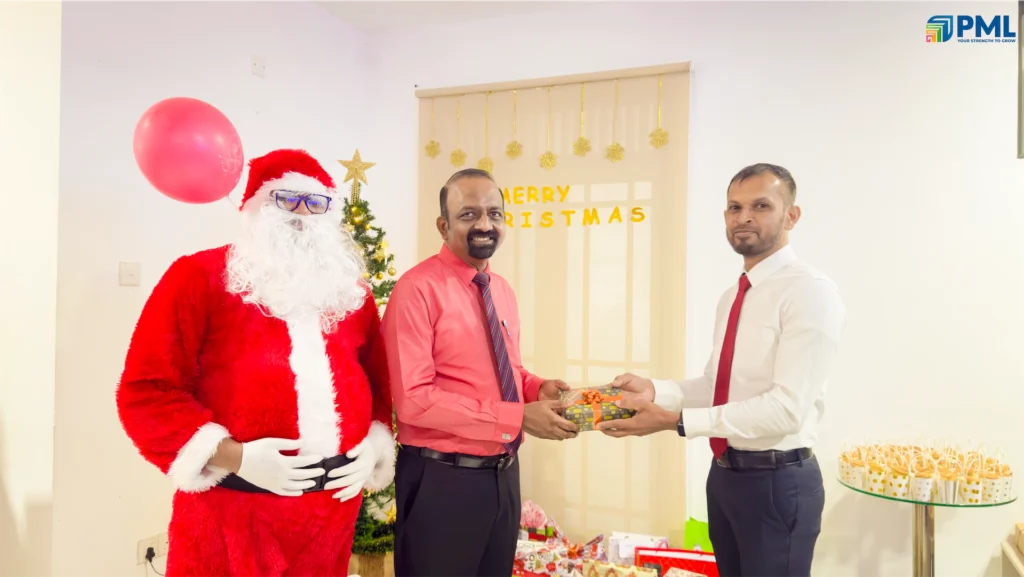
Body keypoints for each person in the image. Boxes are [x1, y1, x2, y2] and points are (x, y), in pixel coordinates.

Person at [115, 149, 396, 576]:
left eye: (315, 203)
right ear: (255, 207)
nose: (302, 214)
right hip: (232, 516)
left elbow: (377, 384)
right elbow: (147, 392)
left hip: (330, 518)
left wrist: (375, 444)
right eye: (287, 199)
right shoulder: (198, 276)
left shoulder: (349, 295)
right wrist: (236, 457)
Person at [598, 163, 847, 577]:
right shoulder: (735, 294)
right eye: (734, 207)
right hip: (727, 477)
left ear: (791, 216)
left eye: (760, 206)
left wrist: (676, 421)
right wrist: (654, 391)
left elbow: (787, 409)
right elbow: (720, 386)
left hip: (778, 482)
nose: (744, 217)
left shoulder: (809, 291)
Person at [381, 168, 579, 577]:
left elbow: (507, 371)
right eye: (469, 214)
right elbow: (414, 400)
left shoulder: (500, 289)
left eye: (495, 214)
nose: (485, 224)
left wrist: (539, 388)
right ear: (444, 224)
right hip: (442, 480)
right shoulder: (416, 290)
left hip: (503, 477)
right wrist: (516, 417)